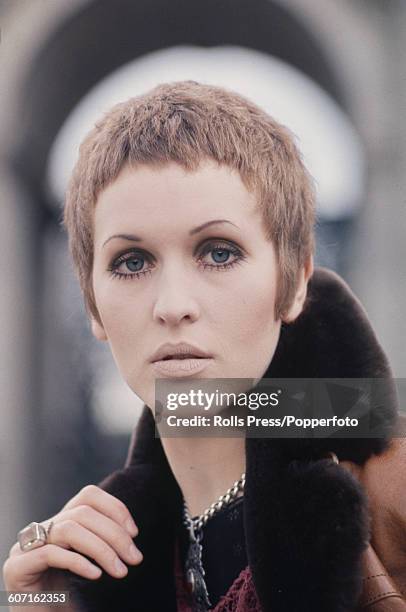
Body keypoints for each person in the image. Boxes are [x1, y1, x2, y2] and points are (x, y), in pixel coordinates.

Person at [3, 81, 406, 612]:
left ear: (294, 283)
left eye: (218, 253)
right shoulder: (92, 560)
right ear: (93, 306)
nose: (173, 305)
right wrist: (38, 601)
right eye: (132, 261)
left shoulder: (392, 493)